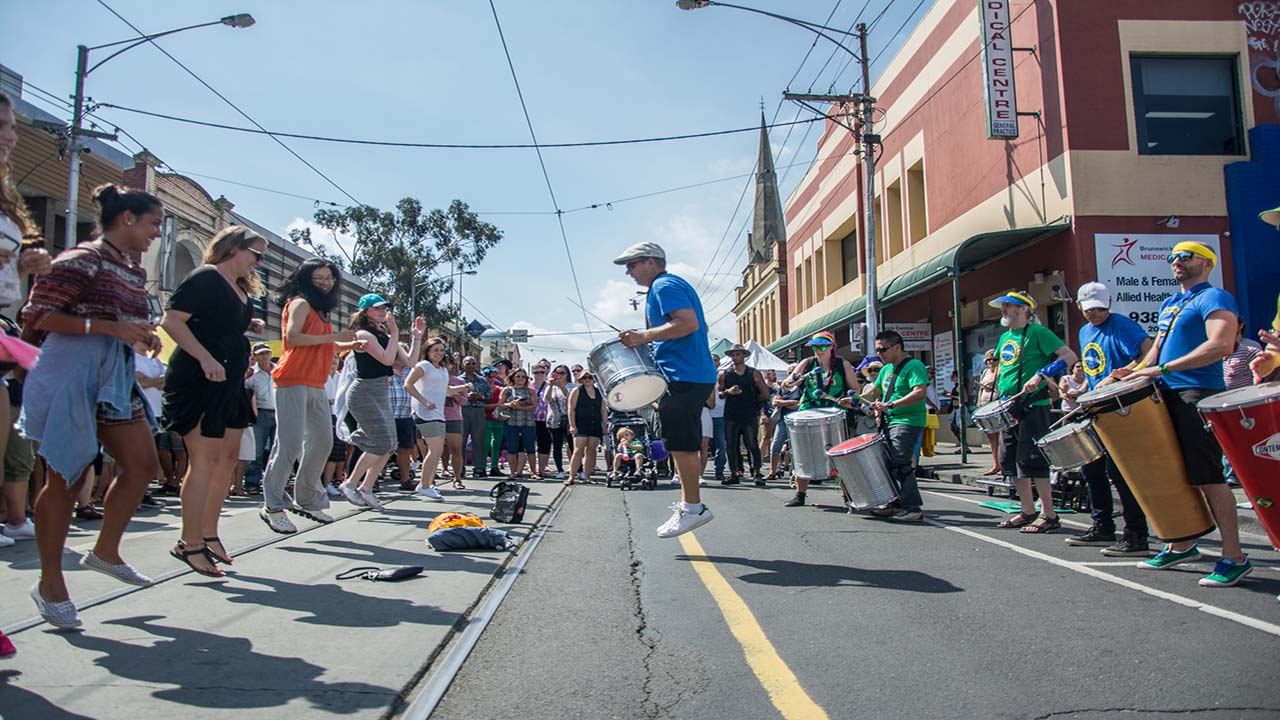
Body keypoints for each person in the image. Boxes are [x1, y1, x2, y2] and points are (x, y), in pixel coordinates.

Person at [21, 183, 165, 628]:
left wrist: (141, 333)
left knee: (142, 464)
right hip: (70, 372)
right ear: (127, 220)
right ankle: (50, 583)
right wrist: (106, 327)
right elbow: (36, 318)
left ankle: (104, 551)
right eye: (154, 224)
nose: (156, 235)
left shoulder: (133, 271)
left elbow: (120, 322)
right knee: (67, 475)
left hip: (115, 375)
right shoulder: (80, 259)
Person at [1117, 242, 1251, 587]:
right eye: (1172, 256)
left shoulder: (1214, 298)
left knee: (1209, 477)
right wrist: (1130, 373)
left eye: (1185, 255)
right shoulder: (1171, 302)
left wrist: (1163, 368)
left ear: (1206, 263)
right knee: (1173, 473)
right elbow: (1155, 353)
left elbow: (1221, 345)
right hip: (1165, 393)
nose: (1176, 261)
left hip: (1197, 393)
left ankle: (1234, 556)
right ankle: (1181, 544)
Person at [160, 225, 268, 574]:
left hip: (230, 381)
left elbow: (215, 324)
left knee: (227, 457)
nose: (258, 261)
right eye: (256, 253)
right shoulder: (205, 277)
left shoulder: (237, 288)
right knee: (203, 460)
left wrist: (246, 324)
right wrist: (205, 357)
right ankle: (188, 542)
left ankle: (208, 532)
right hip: (200, 379)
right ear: (234, 247)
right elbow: (172, 321)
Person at [616, 242, 718, 537]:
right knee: (678, 441)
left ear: (651, 262)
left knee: (682, 442)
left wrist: (643, 336)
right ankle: (690, 505)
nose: (628, 271)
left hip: (685, 375)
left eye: (632, 264)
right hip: (686, 374)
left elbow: (688, 323)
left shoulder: (664, 285)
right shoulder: (665, 286)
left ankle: (693, 508)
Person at [259, 259, 360, 535]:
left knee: (323, 442)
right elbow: (293, 338)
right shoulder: (300, 303)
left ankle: (307, 498)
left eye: (329, 278)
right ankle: (273, 505)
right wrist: (334, 337)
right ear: (306, 279)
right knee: (289, 445)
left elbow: (322, 342)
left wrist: (347, 343)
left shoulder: (321, 310)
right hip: (292, 380)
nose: (326, 283)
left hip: (315, 383)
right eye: (319, 278)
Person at [0, 92, 54, 546]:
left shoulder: (6, 196)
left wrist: (23, 265)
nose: (9, 136)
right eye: (1, 125)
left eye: (11, 127)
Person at [1065, 281, 1152, 556]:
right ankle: (1102, 526)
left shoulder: (1122, 325)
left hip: (1123, 404)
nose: (1095, 314)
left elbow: (1148, 354)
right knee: (1092, 467)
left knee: (1121, 472)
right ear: (1079, 307)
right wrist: (1082, 393)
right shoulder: (1084, 332)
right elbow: (1094, 370)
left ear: (1109, 304)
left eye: (1100, 308)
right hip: (1097, 406)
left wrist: (1119, 374)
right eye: (1089, 309)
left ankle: (1136, 534)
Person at [989, 290, 1079, 534]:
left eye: (1008, 306)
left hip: (1033, 405)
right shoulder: (1005, 337)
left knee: (1033, 460)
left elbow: (1069, 356)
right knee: (1010, 460)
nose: (1003, 310)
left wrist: (1041, 374)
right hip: (1009, 405)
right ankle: (1027, 510)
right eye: (1003, 306)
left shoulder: (1039, 332)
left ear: (1023, 309)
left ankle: (1048, 513)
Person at [340, 295, 424, 512]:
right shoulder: (363, 334)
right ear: (365, 311)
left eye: (384, 308)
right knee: (381, 442)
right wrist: (395, 333)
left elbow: (410, 362)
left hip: (380, 392)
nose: (382, 312)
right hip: (364, 392)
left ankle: (366, 487)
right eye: (377, 309)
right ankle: (350, 483)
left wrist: (417, 337)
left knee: (389, 444)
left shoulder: (385, 336)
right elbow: (387, 361)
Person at [778, 331, 860, 507]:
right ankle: (800, 495)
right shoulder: (807, 364)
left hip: (835, 413)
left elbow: (856, 389)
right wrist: (791, 382)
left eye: (822, 346)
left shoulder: (842, 364)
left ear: (832, 347)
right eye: (815, 347)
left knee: (840, 454)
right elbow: (788, 384)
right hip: (809, 412)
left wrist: (850, 399)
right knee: (802, 452)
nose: (818, 350)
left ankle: (848, 495)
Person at [861, 330, 930, 521]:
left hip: (907, 421)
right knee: (887, 463)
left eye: (883, 349)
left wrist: (890, 405)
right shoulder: (886, 369)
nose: (880, 354)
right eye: (877, 350)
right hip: (888, 421)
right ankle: (894, 503)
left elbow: (919, 393)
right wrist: (853, 399)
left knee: (901, 462)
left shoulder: (914, 366)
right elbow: (874, 391)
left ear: (897, 347)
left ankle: (912, 507)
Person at [406, 337, 468, 499]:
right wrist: (424, 401)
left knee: (437, 450)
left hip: (438, 414)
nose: (439, 353)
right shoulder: (423, 366)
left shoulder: (441, 370)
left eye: (441, 350)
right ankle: (424, 485)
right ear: (427, 351)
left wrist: (464, 387)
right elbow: (408, 384)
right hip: (424, 412)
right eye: (435, 350)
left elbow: (446, 390)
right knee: (434, 450)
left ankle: (428, 483)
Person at [717, 343, 769, 485]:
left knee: (752, 444)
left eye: (738, 354)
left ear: (744, 355)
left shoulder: (753, 373)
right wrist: (729, 392)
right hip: (731, 414)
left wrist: (753, 400)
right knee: (731, 445)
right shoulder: (724, 374)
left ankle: (757, 472)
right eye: (733, 354)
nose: (735, 357)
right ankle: (734, 473)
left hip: (749, 414)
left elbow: (765, 393)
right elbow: (720, 394)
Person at [243, 343, 276, 493]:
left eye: (266, 353)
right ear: (254, 357)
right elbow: (246, 393)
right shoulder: (252, 374)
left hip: (278, 411)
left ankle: (274, 483)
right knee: (257, 450)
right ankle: (252, 482)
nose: (264, 356)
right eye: (261, 354)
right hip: (260, 412)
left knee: (277, 450)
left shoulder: (278, 370)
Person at [565, 370, 605, 485]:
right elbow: (571, 409)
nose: (587, 379)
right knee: (578, 450)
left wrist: (605, 425)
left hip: (595, 424)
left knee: (591, 451)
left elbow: (603, 410)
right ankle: (572, 477)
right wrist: (572, 425)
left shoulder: (599, 392)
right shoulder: (577, 390)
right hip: (580, 424)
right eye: (585, 377)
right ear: (581, 379)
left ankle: (587, 477)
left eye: (590, 377)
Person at [388, 347, 419, 490]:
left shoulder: (410, 371)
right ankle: (372, 480)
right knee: (382, 450)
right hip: (387, 415)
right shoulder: (383, 370)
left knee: (405, 449)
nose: (398, 357)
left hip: (406, 415)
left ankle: (405, 479)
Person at [500, 367, 538, 479]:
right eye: (518, 376)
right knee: (512, 449)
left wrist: (520, 407)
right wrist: (510, 405)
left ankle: (533, 472)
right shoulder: (507, 390)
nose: (520, 379)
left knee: (530, 448)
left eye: (523, 377)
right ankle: (512, 472)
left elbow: (534, 407)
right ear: (513, 377)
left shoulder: (530, 391)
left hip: (528, 423)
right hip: (511, 423)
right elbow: (500, 405)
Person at [766, 364, 801, 480]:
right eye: (790, 373)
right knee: (775, 446)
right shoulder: (783, 388)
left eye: (794, 373)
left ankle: (797, 473)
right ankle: (772, 472)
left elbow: (799, 405)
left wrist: (784, 402)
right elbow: (775, 402)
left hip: (797, 421)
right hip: (783, 419)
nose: (792, 375)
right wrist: (790, 402)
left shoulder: (802, 388)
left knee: (796, 448)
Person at [458, 356, 491, 479]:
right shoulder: (458, 380)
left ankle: (479, 468)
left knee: (478, 440)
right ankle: (459, 468)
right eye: (468, 363)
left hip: (478, 410)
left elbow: (489, 397)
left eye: (473, 363)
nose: (471, 366)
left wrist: (480, 397)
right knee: (461, 441)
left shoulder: (482, 380)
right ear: (462, 365)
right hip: (462, 410)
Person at [441, 354, 468, 490]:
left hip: (454, 418)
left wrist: (456, 395)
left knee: (456, 449)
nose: (445, 366)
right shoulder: (431, 379)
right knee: (434, 450)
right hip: (435, 417)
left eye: (448, 363)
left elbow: (464, 401)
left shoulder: (458, 381)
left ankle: (457, 478)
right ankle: (432, 478)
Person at [542, 364, 572, 479]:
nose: (559, 376)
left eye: (562, 373)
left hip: (569, 420)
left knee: (572, 446)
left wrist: (561, 386)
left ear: (567, 375)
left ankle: (577, 469)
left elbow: (569, 398)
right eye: (557, 373)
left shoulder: (572, 386)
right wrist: (550, 385)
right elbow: (546, 399)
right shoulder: (551, 386)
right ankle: (560, 469)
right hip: (555, 420)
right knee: (557, 445)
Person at [976, 349, 1002, 476]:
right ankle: (996, 464)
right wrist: (979, 402)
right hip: (985, 405)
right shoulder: (985, 372)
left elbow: (997, 383)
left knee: (1001, 435)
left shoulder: (1000, 370)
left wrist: (990, 384)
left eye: (994, 359)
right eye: (989, 359)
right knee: (991, 436)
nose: (991, 361)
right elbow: (981, 387)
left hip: (996, 403)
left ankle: (1003, 464)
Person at [707, 353, 728, 482]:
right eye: (711, 360)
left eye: (715, 360)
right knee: (706, 445)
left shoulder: (723, 377)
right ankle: (699, 472)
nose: (713, 362)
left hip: (720, 415)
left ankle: (719, 470)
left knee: (722, 444)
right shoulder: (702, 375)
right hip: (705, 414)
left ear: (719, 363)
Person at [531, 361, 553, 477]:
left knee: (545, 444)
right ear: (533, 373)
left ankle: (542, 469)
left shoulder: (550, 385)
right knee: (530, 445)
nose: (539, 374)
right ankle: (532, 469)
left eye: (542, 372)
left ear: (546, 373)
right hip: (530, 419)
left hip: (546, 419)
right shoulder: (529, 385)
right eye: (536, 372)